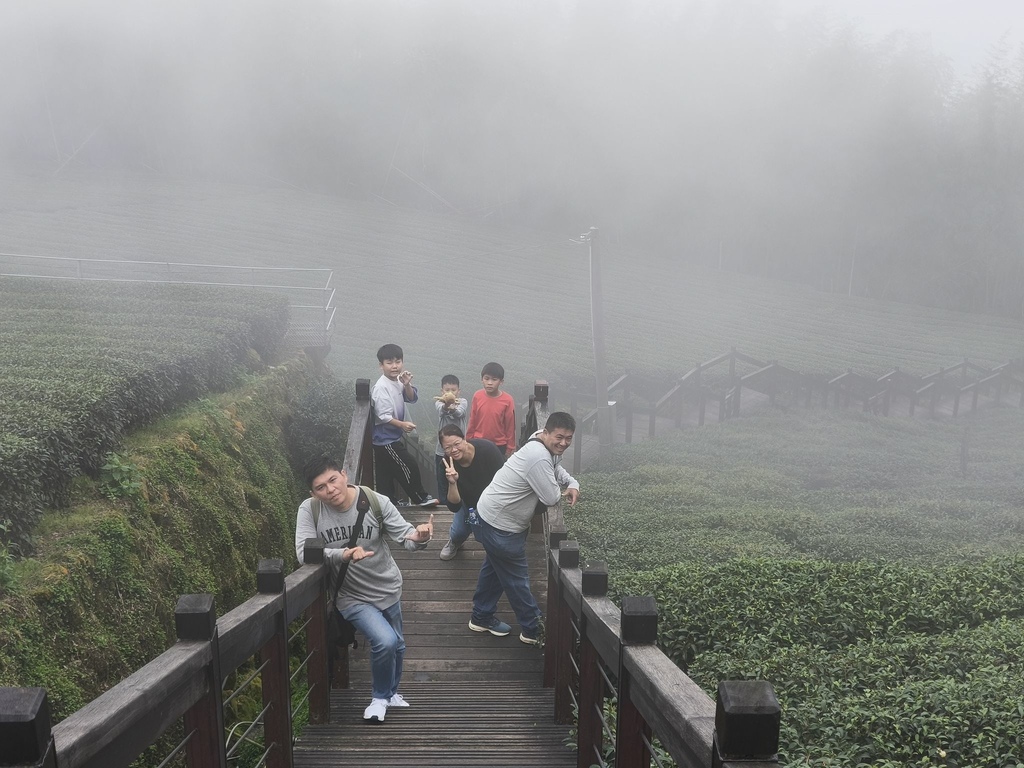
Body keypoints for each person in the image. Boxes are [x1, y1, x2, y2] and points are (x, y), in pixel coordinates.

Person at [294, 456, 434, 723]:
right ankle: (380, 697)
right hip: (351, 595)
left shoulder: (374, 501)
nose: (330, 489)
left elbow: (407, 537)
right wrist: (343, 555)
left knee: (399, 646)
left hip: (388, 586)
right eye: (321, 487)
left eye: (333, 480)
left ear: (344, 475)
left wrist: (420, 536)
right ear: (313, 492)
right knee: (386, 641)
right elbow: (303, 553)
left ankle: (392, 693)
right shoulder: (310, 510)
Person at [469, 412, 580, 644]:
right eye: (559, 437)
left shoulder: (539, 439)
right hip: (500, 527)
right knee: (517, 581)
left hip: (488, 516)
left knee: (495, 570)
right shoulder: (538, 456)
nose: (563, 443)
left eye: (569, 438)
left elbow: (554, 466)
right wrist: (560, 487)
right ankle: (534, 629)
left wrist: (571, 482)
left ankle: (481, 616)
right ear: (547, 432)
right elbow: (550, 497)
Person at [370, 343, 437, 507]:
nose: (394, 366)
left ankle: (390, 502)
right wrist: (402, 425)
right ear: (381, 366)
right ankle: (420, 498)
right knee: (409, 464)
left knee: (385, 473)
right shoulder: (381, 387)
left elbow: (411, 398)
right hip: (385, 439)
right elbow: (383, 416)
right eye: (389, 362)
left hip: (390, 437)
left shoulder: (397, 381)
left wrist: (406, 384)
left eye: (398, 361)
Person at [437, 425, 505, 561]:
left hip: (492, 501)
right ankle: (455, 542)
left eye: (457, 444)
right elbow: (453, 507)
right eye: (448, 448)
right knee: (458, 533)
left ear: (464, 439)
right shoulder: (445, 466)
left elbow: (505, 480)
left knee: (486, 538)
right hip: (467, 503)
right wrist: (452, 482)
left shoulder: (487, 450)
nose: (454, 450)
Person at [465, 361, 517, 459]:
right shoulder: (477, 396)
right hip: (478, 442)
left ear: (501, 381)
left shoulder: (508, 400)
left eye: (494, 379)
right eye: (486, 379)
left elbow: (510, 425)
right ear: (481, 379)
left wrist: (510, 446)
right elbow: (473, 420)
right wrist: (468, 439)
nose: (490, 383)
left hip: (499, 444)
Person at [433, 374, 468, 504]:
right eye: (447, 390)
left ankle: (461, 504)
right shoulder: (439, 403)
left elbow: (459, 413)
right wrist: (446, 405)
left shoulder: (463, 402)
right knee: (442, 480)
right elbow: (441, 411)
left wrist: (452, 406)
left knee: (460, 479)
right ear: (442, 391)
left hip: (460, 450)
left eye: (453, 390)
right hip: (442, 451)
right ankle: (444, 504)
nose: (450, 392)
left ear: (459, 391)